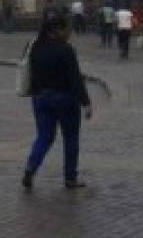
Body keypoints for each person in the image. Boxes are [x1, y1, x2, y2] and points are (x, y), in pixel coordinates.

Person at [22, 13, 93, 190]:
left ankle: (30, 168)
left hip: (40, 98)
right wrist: (86, 102)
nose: (69, 32)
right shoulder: (66, 49)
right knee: (71, 138)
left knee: (44, 137)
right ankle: (70, 177)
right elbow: (75, 79)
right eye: (67, 29)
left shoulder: (34, 47)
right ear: (57, 30)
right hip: (65, 99)